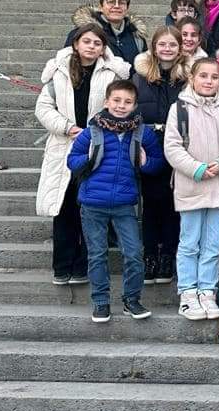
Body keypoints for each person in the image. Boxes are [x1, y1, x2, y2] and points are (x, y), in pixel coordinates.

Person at [35, 25, 131, 285]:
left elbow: (118, 106)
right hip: (64, 143)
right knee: (64, 207)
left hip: (97, 145)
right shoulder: (58, 71)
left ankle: (82, 266)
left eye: (97, 43)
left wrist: (94, 130)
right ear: (76, 44)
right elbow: (43, 107)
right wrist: (67, 127)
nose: (91, 46)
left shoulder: (112, 73)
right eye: (86, 41)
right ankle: (62, 265)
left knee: (90, 208)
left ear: (103, 47)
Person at [67, 79, 164, 323]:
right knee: (97, 254)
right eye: (117, 100)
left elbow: (158, 162)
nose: (121, 106)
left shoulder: (143, 133)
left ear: (135, 105)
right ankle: (100, 301)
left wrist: (146, 163)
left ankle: (132, 300)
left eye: (128, 102)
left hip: (125, 204)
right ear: (106, 102)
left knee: (133, 253)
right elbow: (72, 160)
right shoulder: (92, 131)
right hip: (92, 203)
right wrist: (87, 159)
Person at [164, 58, 219, 320]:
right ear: (192, 78)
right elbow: (173, 147)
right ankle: (188, 292)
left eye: (214, 77)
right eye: (203, 76)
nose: (209, 81)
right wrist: (197, 168)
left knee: (213, 243)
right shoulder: (179, 108)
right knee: (190, 242)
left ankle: (207, 291)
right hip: (192, 184)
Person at [132, 25, 188, 284]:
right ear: (154, 47)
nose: (167, 49)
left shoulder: (187, 77)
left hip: (179, 145)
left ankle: (168, 254)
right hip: (149, 145)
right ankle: (150, 254)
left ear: (180, 48)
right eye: (162, 44)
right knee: (152, 203)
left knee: (173, 204)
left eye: (172, 45)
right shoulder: (140, 76)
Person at [66, 0, 148, 66]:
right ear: (101, 7)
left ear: (127, 8)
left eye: (121, 2)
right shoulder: (81, 34)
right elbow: (68, 65)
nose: (116, 6)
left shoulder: (137, 37)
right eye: (111, 2)